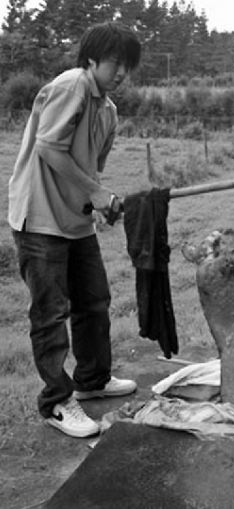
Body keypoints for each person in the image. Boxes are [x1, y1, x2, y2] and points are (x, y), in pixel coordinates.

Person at [8, 22, 142, 438]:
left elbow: (89, 172)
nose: (121, 72)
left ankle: (92, 380)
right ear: (91, 60)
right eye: (114, 62)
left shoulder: (109, 111)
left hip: (74, 220)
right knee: (51, 314)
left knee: (94, 301)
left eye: (127, 66)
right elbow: (49, 148)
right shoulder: (73, 85)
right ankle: (56, 402)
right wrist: (98, 193)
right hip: (40, 218)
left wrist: (100, 204)